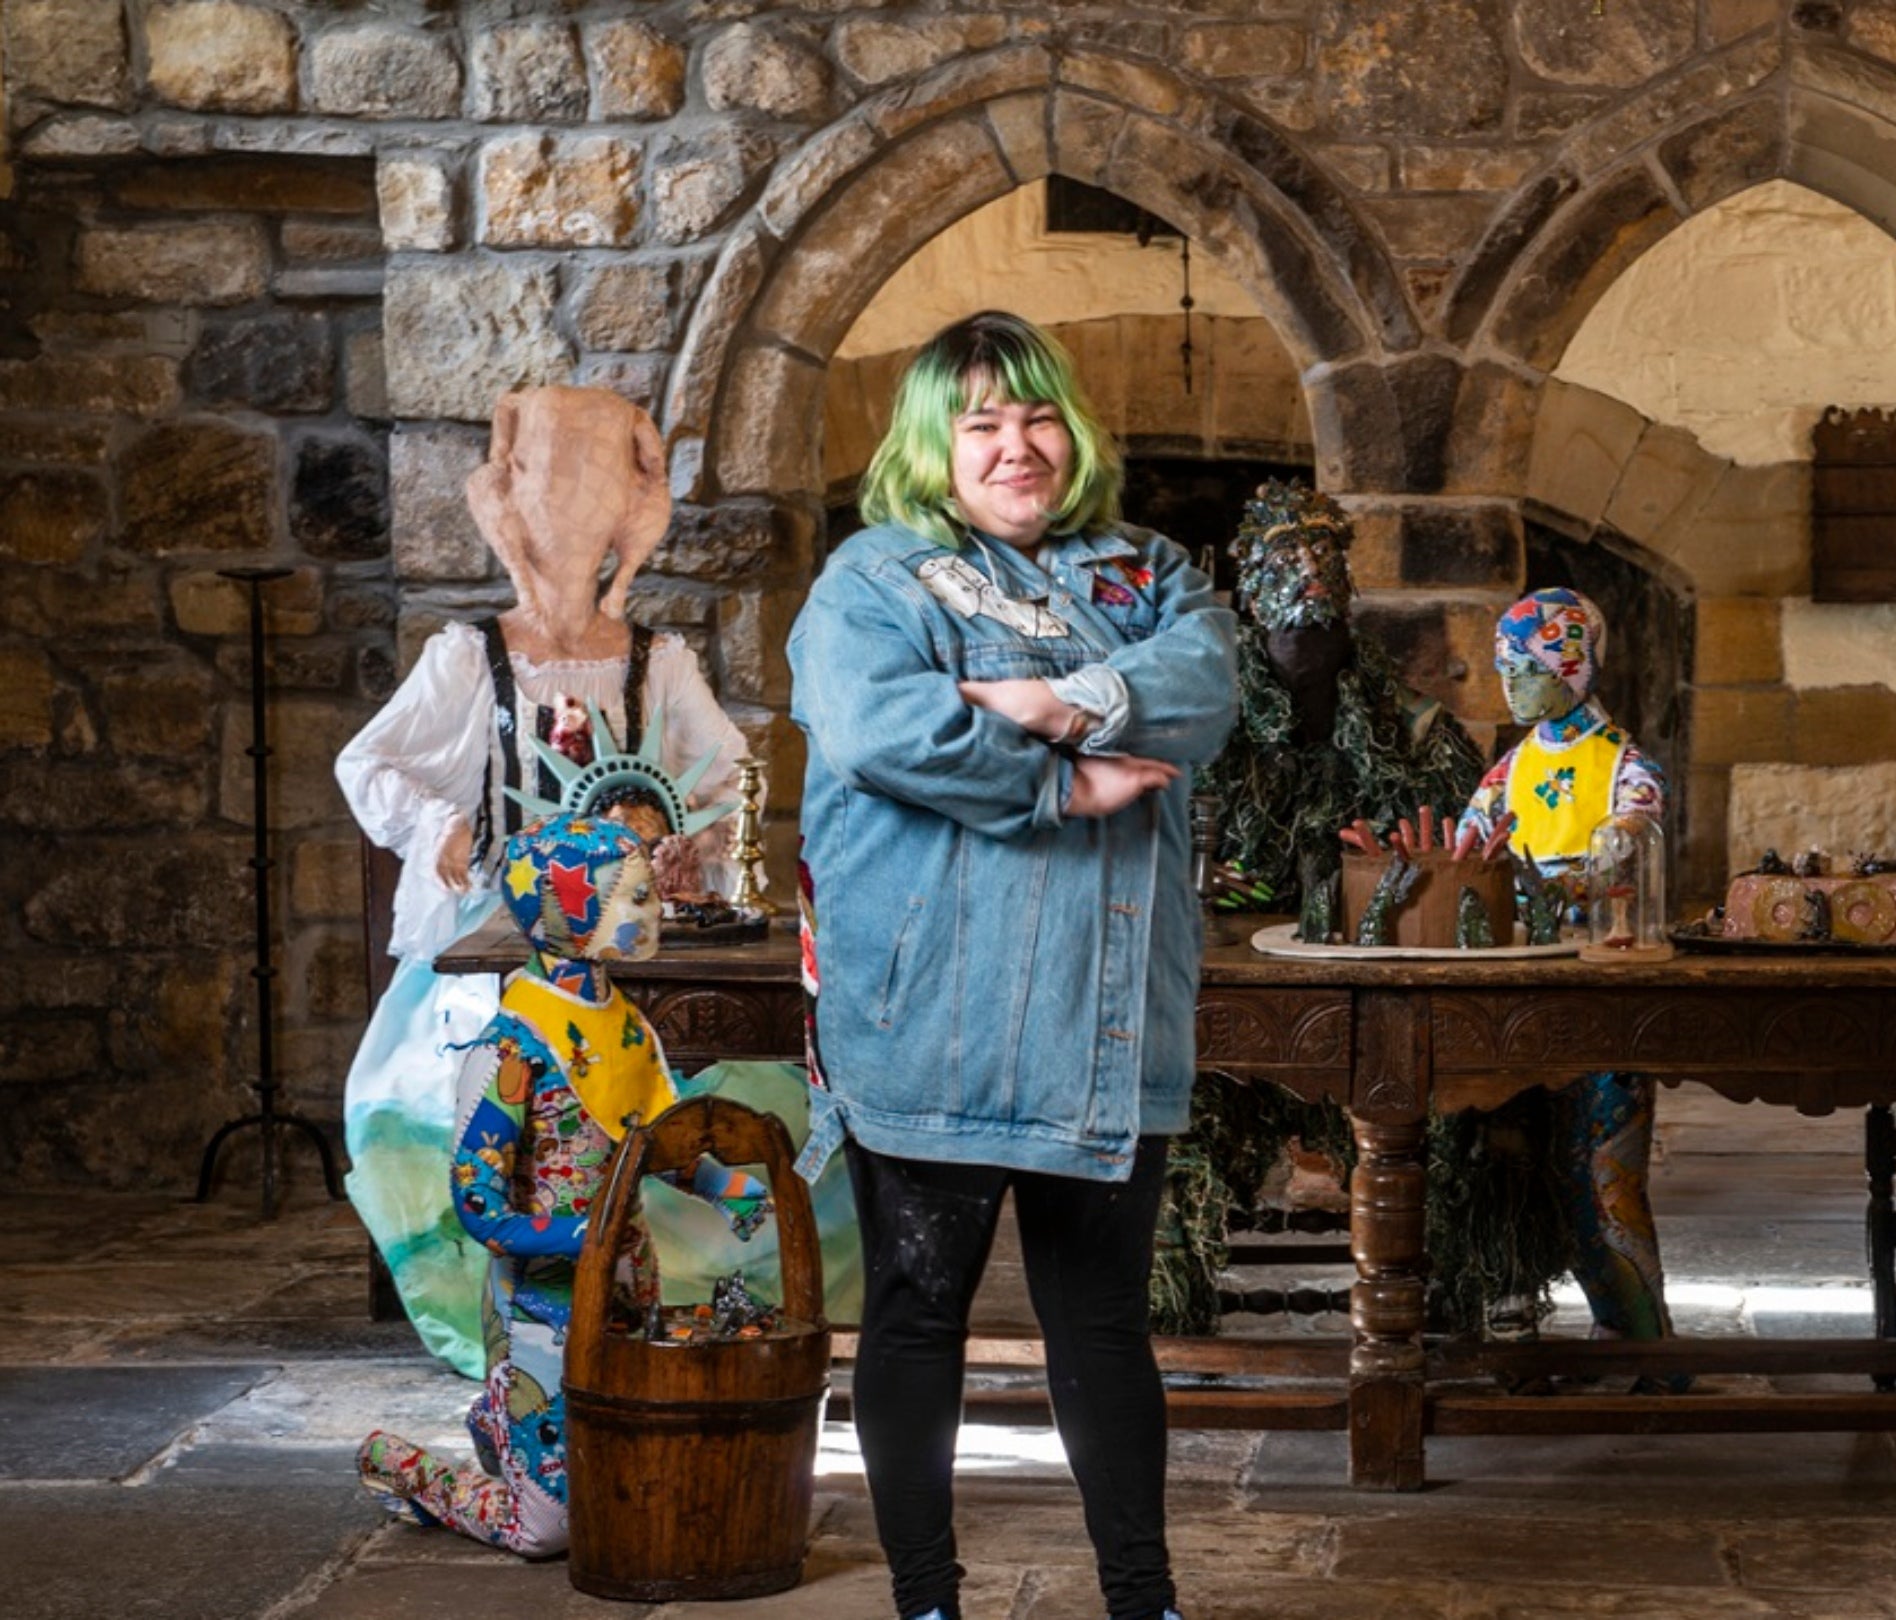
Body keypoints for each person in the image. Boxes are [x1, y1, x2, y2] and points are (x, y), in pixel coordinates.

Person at [788, 310, 1234, 1620]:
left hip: (1108, 1020)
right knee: (917, 1315)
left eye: (1035, 416)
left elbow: (1208, 677)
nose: (1015, 445)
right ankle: (927, 1597)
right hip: (939, 1013)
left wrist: (1058, 702)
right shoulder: (873, 582)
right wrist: (1056, 789)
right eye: (980, 422)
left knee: (1102, 1328)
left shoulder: (1145, 569)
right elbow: (885, 730)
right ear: (935, 443)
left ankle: (1141, 1599)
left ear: (1071, 432)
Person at [336, 384, 748, 1377]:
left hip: (637, 941)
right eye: (550, 484)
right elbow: (368, 762)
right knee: (433, 1092)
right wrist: (437, 819)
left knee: (739, 1089)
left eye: (591, 485)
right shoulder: (471, 657)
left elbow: (728, 774)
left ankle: (694, 1303)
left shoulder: (658, 660)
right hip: (498, 946)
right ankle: (519, 1309)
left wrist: (699, 840)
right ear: (513, 503)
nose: (568, 510)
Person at [1166, 479, 1579, 1340]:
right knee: (1166, 1118)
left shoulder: (1413, 730)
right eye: (1287, 563)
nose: (1310, 580)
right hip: (1230, 1015)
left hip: (1387, 1006)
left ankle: (1471, 1299)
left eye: (1324, 561)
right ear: (1250, 592)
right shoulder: (1202, 725)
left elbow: (1468, 866)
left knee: (1492, 1101)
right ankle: (1171, 1318)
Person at [354, 814, 771, 1555]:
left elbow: (654, 1135)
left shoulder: (627, 1026)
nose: (653, 912)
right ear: (571, 912)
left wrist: (720, 1184)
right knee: (547, 1532)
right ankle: (405, 1466)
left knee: (635, 1484)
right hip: (541, 1305)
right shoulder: (513, 1044)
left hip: (630, 1287)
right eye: (636, 898)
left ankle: (501, 1428)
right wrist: (585, 1237)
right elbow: (480, 1209)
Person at [1457, 587, 1678, 1351]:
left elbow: (1631, 838)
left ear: (1572, 666)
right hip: (1514, 1003)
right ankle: (1514, 1338)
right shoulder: (1506, 771)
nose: (1508, 684)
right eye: (1502, 666)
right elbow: (1466, 853)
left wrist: (1592, 862)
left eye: (1522, 666)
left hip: (1601, 995)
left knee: (1607, 1184)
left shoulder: (1627, 767)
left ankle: (1649, 1348)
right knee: (1511, 1169)